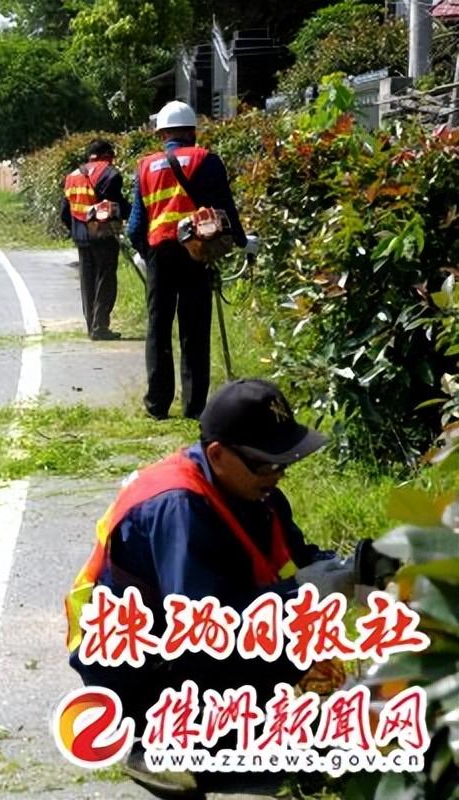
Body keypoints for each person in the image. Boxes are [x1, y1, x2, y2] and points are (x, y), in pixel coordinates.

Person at [64, 379, 353, 795]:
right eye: (266, 463)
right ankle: (160, 749)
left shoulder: (258, 493)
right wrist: (301, 596)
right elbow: (202, 627)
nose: (279, 471)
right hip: (140, 668)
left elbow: (295, 557)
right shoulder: (178, 508)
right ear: (218, 455)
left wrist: (354, 570)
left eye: (284, 461)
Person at [127, 101, 247, 420]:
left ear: (161, 134)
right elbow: (226, 211)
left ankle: (157, 403)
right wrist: (242, 242)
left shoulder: (144, 167)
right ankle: (194, 406)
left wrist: (145, 252)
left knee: (158, 328)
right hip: (197, 251)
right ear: (193, 132)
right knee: (194, 329)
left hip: (159, 254)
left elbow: (135, 225)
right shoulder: (206, 160)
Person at [60, 140, 131, 341]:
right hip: (103, 235)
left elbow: (65, 212)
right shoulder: (110, 174)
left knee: (87, 281)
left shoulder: (72, 176)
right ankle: (100, 325)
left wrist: (75, 230)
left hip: (81, 237)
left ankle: (91, 325)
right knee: (105, 279)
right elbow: (115, 205)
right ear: (105, 154)